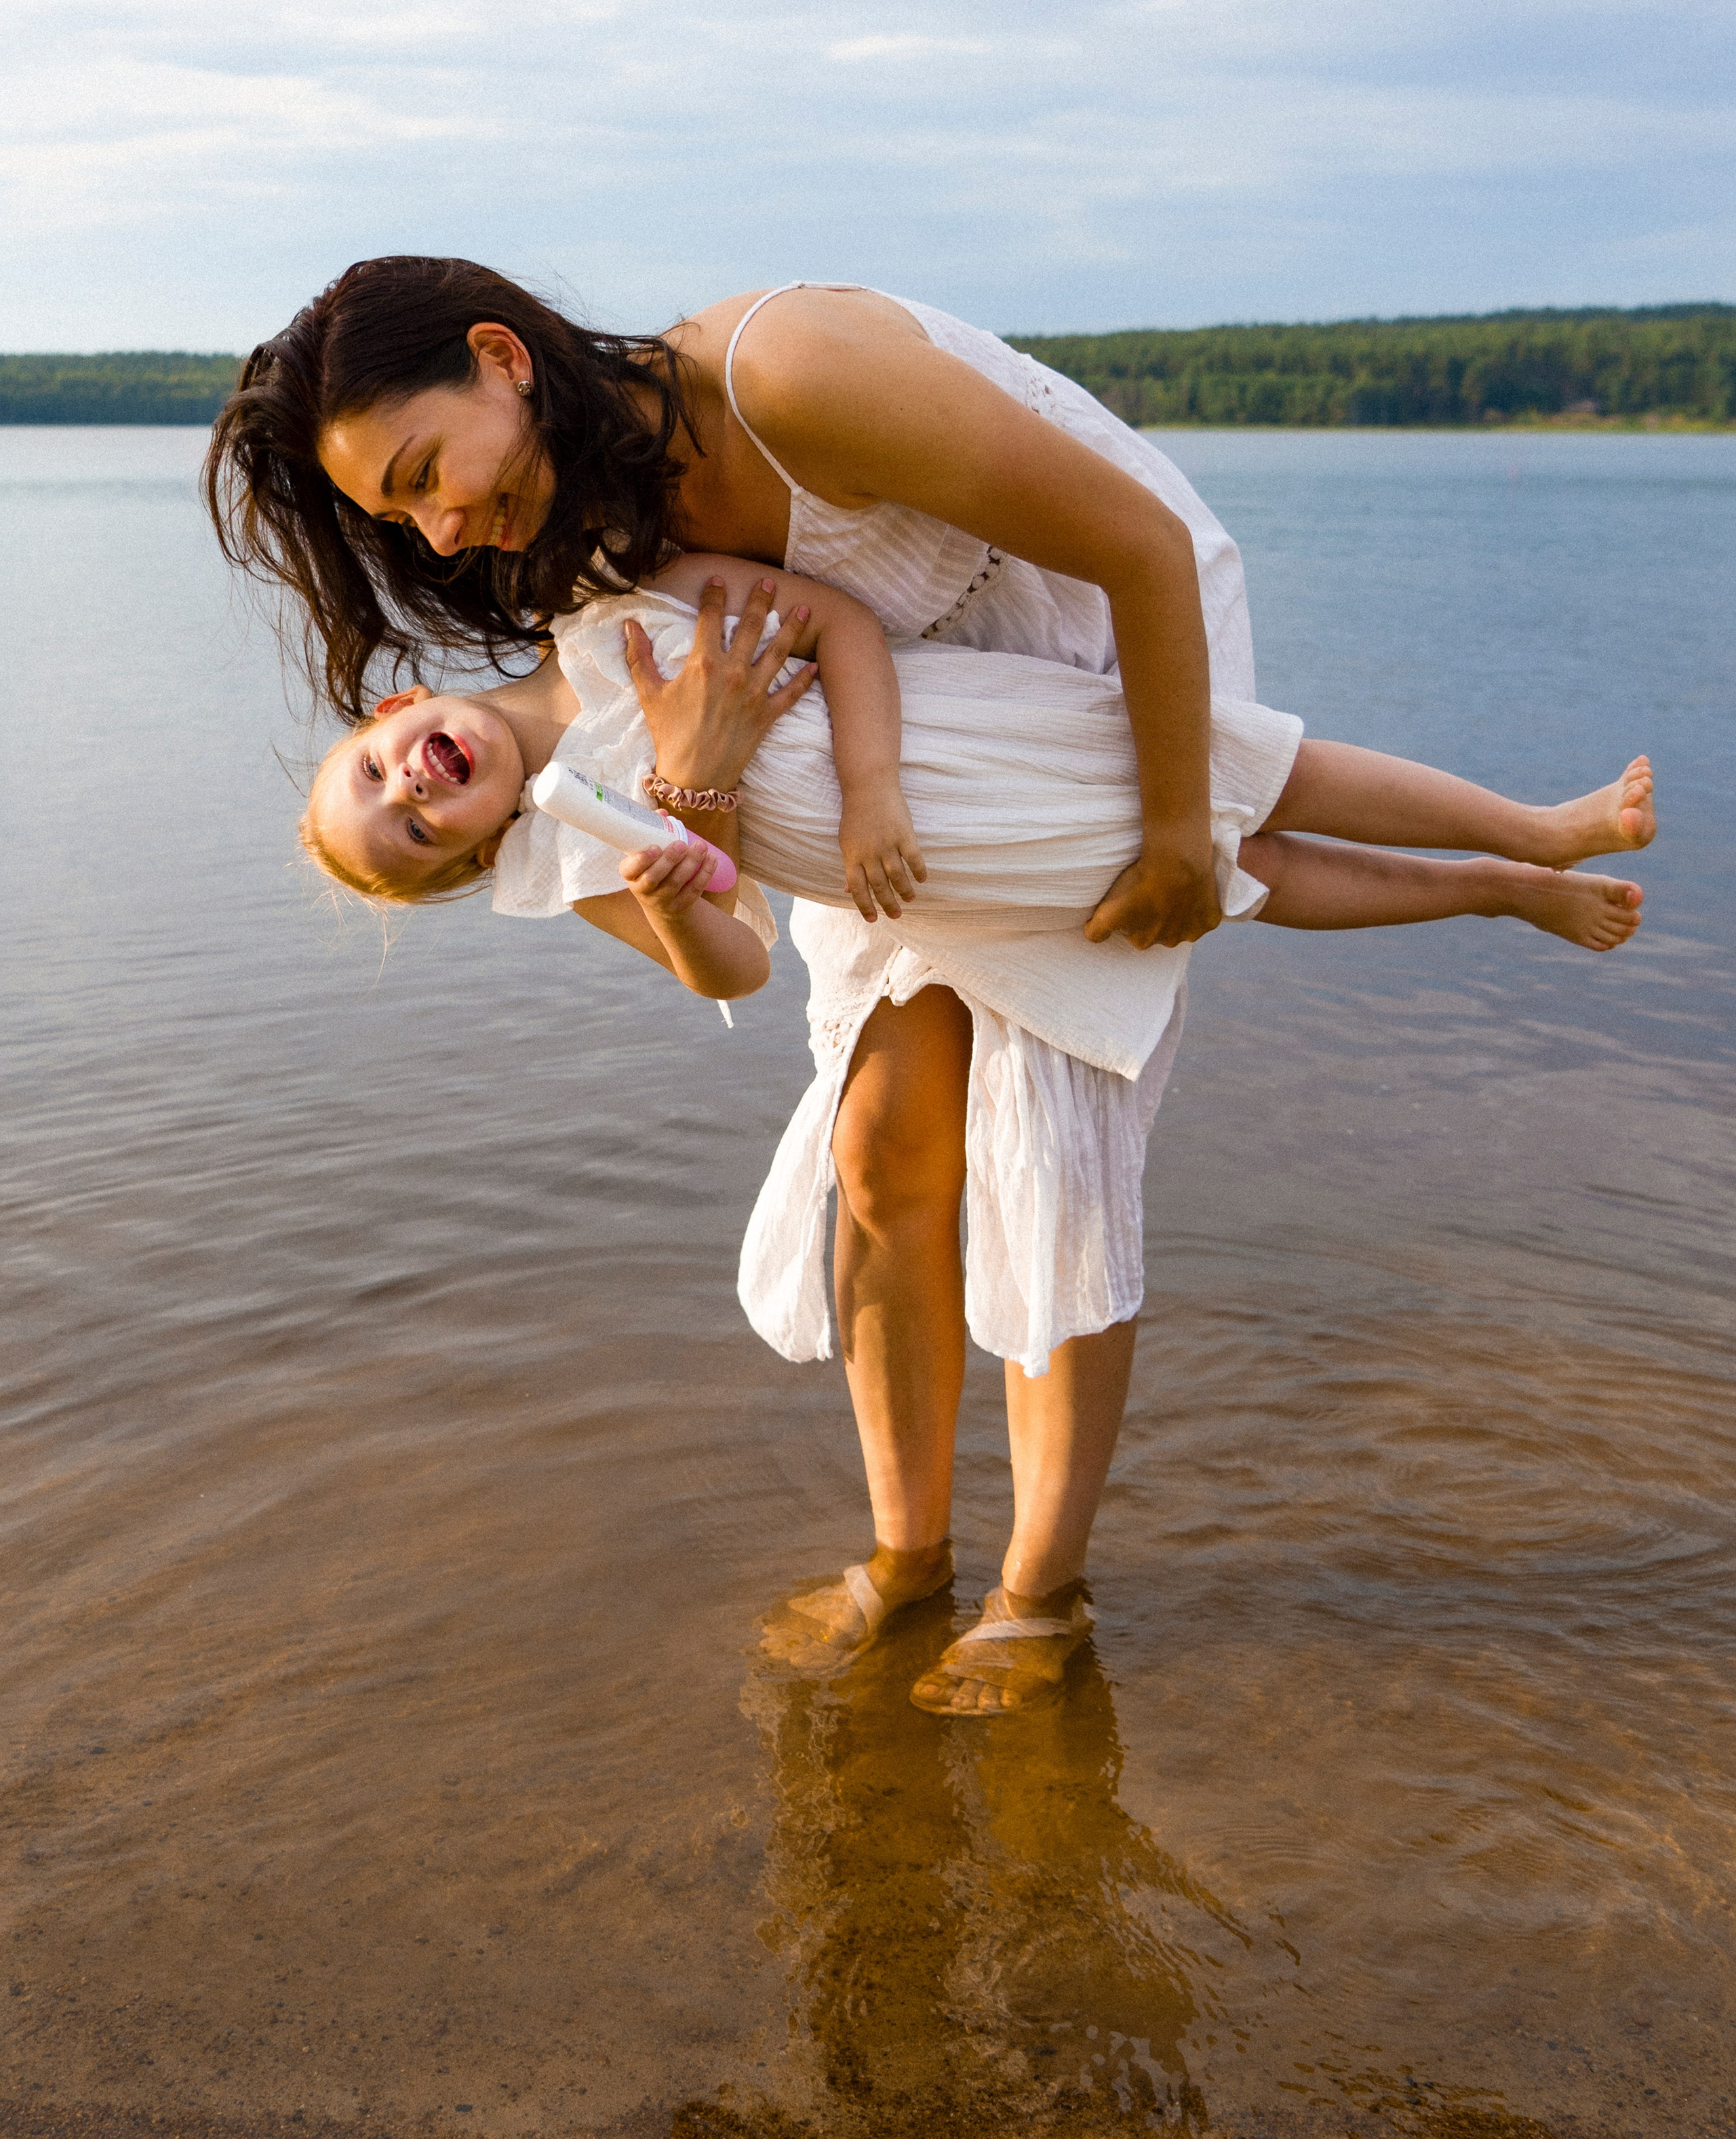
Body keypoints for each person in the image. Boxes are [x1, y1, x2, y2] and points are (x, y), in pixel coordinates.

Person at [207, 259, 1651, 1714]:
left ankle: (1041, 1593)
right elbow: (694, 836)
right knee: (882, 1147)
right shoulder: (580, 541)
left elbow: (1135, 549)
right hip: (843, 769)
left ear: (502, 359)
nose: (444, 532)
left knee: (1060, 1124)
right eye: (405, 521)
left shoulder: (785, 373)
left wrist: (1160, 833)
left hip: (1089, 648)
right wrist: (703, 788)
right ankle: (907, 1561)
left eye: (424, 476)